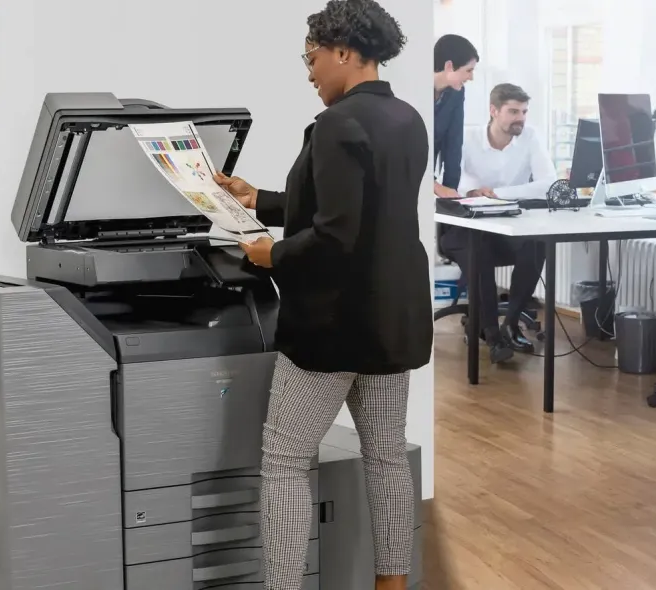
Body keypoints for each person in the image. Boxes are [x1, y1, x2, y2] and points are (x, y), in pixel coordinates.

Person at [213, 1, 430, 588]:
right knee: (386, 458)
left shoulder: (336, 124)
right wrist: (257, 197)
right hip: (391, 323)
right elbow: (359, 209)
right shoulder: (408, 118)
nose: (308, 71)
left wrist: (269, 254)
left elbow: (336, 234)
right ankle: (393, 581)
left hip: (331, 328)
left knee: (285, 463)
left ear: (342, 51)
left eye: (311, 58)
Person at [438, 83, 554, 362]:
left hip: (506, 228)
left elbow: (547, 184)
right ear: (493, 110)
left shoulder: (530, 138)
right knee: (480, 250)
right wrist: (472, 192)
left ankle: (510, 324)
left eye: (524, 112)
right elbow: (447, 180)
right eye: (513, 111)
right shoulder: (466, 138)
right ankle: (492, 334)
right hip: (463, 230)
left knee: (537, 245)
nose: (521, 118)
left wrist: (497, 194)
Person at [433, 34, 478, 199]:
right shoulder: (417, 89)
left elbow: (454, 142)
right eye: (468, 70)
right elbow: (406, 150)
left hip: (429, 181)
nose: (471, 77)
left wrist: (451, 193)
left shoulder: (456, 93)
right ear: (449, 66)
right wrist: (435, 187)